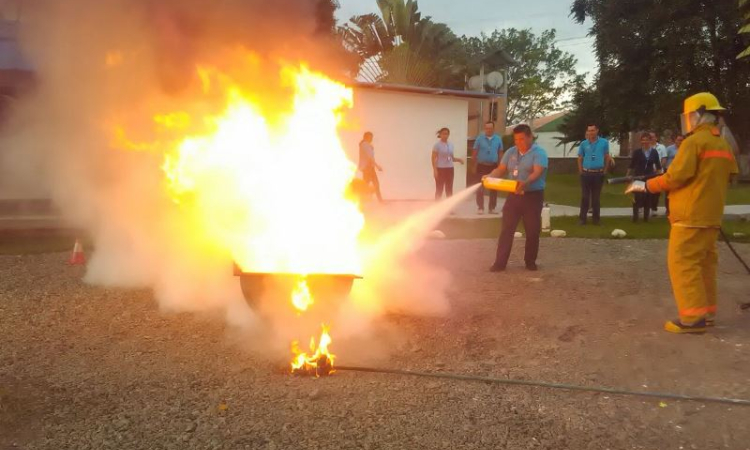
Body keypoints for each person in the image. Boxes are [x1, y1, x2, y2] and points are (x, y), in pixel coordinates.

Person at [627, 92, 738, 334]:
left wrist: (645, 185)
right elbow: (729, 174)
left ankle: (692, 320)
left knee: (684, 264)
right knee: (705, 265)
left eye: (689, 116)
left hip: (689, 217)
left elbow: (674, 177)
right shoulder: (721, 144)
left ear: (698, 114)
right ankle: (706, 313)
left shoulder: (694, 143)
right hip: (710, 217)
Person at [486, 124, 548, 272]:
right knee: (506, 229)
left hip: (532, 197)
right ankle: (500, 263)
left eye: (521, 139)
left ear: (529, 137)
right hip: (513, 197)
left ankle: (530, 261)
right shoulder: (511, 152)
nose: (518, 142)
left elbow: (537, 172)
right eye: (516, 139)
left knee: (532, 230)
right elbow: (501, 169)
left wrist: (525, 183)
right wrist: (489, 176)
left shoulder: (539, 153)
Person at [577, 123, 612, 225]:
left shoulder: (604, 142)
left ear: (597, 131)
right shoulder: (584, 144)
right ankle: (582, 219)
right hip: (586, 173)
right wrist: (581, 172)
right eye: (589, 131)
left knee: (596, 198)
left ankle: (596, 220)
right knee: (585, 197)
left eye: (592, 130)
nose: (591, 133)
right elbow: (579, 158)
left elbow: (607, 157)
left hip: (598, 174)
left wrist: (605, 171)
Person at [627, 133, 662, 222]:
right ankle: (635, 217)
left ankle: (646, 218)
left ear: (650, 141)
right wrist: (628, 176)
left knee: (648, 197)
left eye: (647, 140)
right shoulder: (637, 152)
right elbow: (632, 165)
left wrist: (659, 177)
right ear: (641, 141)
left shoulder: (654, 152)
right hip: (638, 177)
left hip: (649, 177)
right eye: (643, 140)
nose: (645, 142)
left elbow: (658, 165)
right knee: (638, 197)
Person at [473, 121, 504, 215]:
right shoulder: (479, 139)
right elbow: (475, 152)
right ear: (484, 128)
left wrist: (500, 167)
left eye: (490, 128)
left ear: (493, 129)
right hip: (481, 166)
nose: (488, 130)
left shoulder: (498, 139)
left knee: (494, 188)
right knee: (480, 187)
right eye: (487, 128)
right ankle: (480, 207)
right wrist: (474, 165)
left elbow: (500, 152)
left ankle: (492, 208)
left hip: (493, 166)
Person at [432, 127, 464, 200]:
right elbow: (433, 158)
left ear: (448, 135)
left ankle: (449, 207)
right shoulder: (437, 145)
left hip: (449, 169)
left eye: (446, 134)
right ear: (440, 134)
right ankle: (437, 207)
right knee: (439, 188)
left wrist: (459, 160)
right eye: (443, 134)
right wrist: (435, 170)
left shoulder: (451, 145)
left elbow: (451, 158)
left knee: (449, 189)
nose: (445, 135)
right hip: (440, 169)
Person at [358, 132, 383, 202]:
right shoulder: (365, 145)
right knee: (374, 184)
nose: (371, 139)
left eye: (372, 137)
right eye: (370, 137)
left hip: (369, 168)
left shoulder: (366, 145)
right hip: (367, 168)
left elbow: (370, 157)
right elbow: (370, 158)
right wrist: (377, 166)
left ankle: (366, 201)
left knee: (368, 185)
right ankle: (378, 201)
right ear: (366, 137)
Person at [663, 134, 684, 215]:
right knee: (668, 192)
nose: (680, 142)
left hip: (681, 172)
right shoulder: (669, 149)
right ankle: (668, 209)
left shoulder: (686, 149)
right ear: (675, 140)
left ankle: (678, 209)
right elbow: (665, 159)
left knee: (680, 192)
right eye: (679, 140)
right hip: (669, 171)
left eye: (682, 140)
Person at [650, 131, 668, 213]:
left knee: (656, 191)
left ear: (656, 138)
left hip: (658, 172)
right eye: (649, 137)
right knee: (647, 189)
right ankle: (645, 206)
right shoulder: (646, 147)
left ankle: (654, 208)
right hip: (648, 172)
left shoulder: (661, 147)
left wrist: (659, 168)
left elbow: (664, 159)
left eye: (652, 137)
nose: (651, 138)